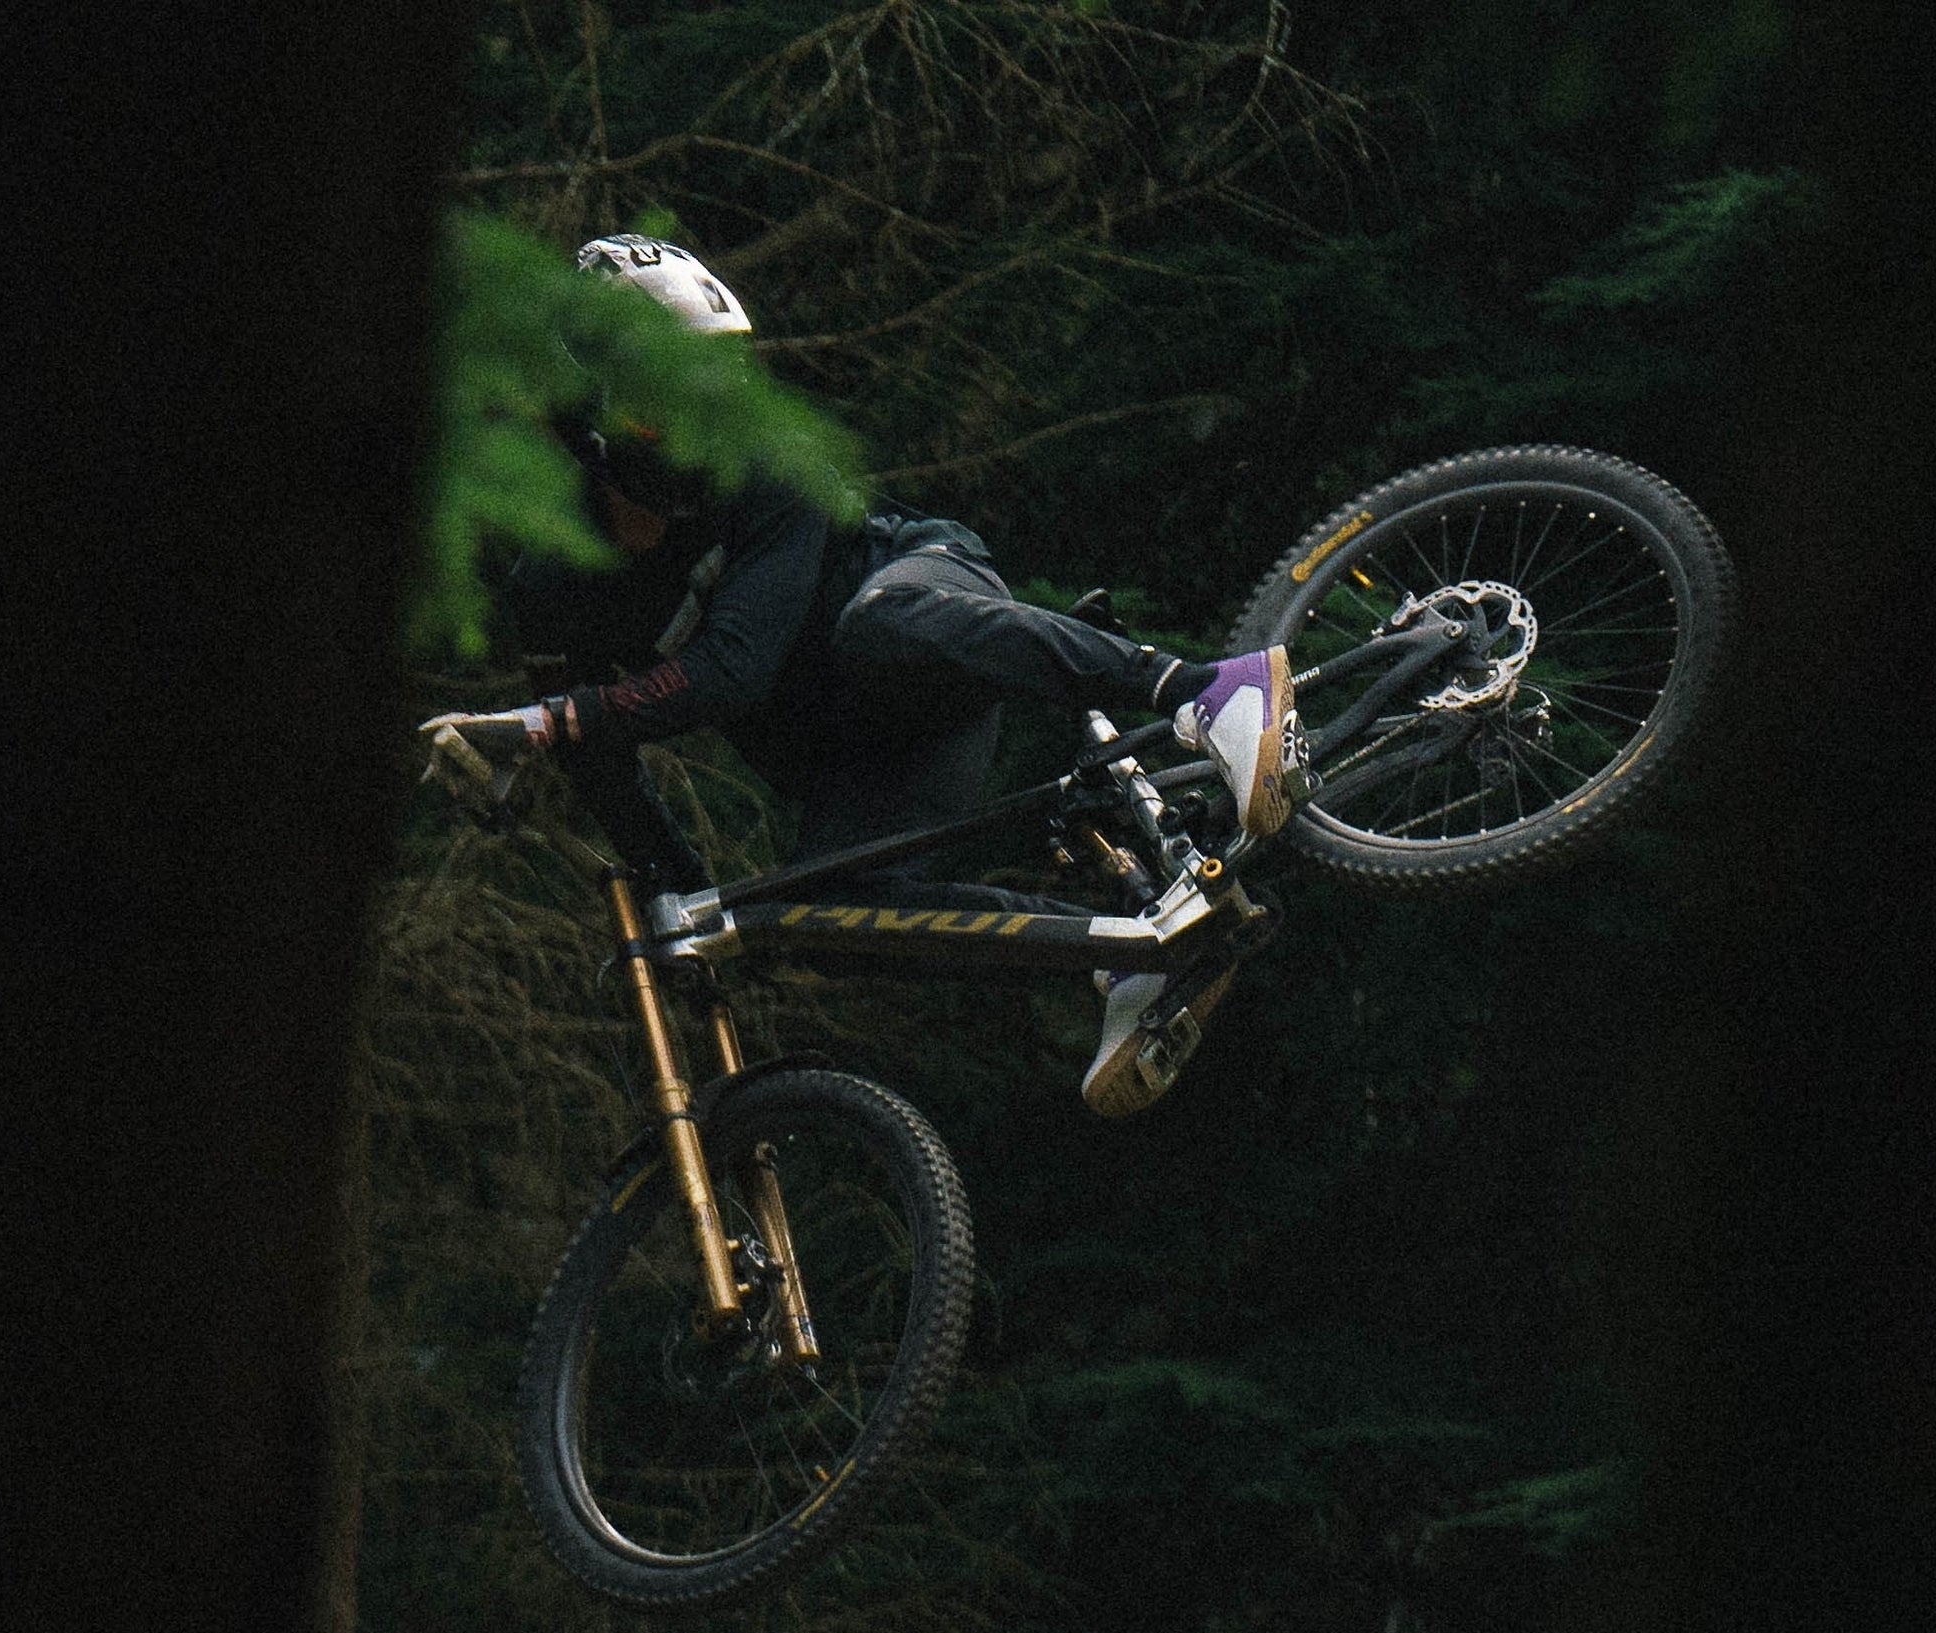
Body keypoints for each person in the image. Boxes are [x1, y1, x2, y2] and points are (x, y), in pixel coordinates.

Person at [421, 234, 1289, 1118]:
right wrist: (680, 899)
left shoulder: (771, 468)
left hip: (924, 608)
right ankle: (1126, 954)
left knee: (881, 626)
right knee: (824, 917)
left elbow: (731, 672)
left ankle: (1204, 689)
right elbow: (601, 768)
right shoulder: (556, 585)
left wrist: (542, 722)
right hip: (863, 752)